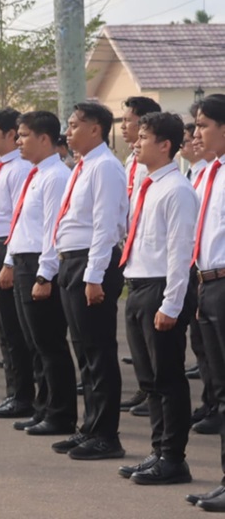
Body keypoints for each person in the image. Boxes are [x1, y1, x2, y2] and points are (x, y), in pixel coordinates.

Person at [115, 111, 197, 485]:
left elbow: (180, 252)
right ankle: (158, 451)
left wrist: (171, 303)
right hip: (138, 285)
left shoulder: (176, 189)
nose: (136, 143)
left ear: (165, 145)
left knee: (168, 378)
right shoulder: (148, 185)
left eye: (144, 137)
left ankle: (174, 458)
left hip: (160, 288)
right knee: (149, 380)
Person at [51, 102, 127, 461]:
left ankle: (106, 435)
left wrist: (94, 276)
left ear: (95, 129)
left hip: (91, 263)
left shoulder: (106, 167)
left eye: (73, 125)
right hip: (72, 262)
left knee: (98, 352)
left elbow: (106, 225)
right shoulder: (82, 166)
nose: (68, 132)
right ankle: (90, 427)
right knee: (84, 351)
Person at [4, 111, 77, 435]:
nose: (18, 141)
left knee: (50, 344)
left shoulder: (56, 176)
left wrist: (45, 275)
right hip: (23, 261)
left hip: (39, 264)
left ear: (44, 139)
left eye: (23, 135)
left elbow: (52, 230)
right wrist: (10, 260)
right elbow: (21, 222)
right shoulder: (35, 173)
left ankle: (60, 414)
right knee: (35, 343)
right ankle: (43, 406)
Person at [0, 108, 35, 420]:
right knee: (2, 328)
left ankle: (23, 396)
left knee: (14, 331)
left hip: (7, 249)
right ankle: (12, 392)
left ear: (11, 134)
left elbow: (19, 219)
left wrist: (9, 262)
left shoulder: (18, 170)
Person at [186, 94, 225, 511]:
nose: (196, 134)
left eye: (203, 125)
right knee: (220, 386)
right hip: (209, 283)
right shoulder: (212, 172)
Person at [120, 96, 161, 416]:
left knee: (154, 340)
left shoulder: (157, 167)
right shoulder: (130, 161)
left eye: (128, 120)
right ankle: (146, 388)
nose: (123, 126)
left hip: (153, 260)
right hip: (132, 254)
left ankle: (156, 394)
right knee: (137, 336)